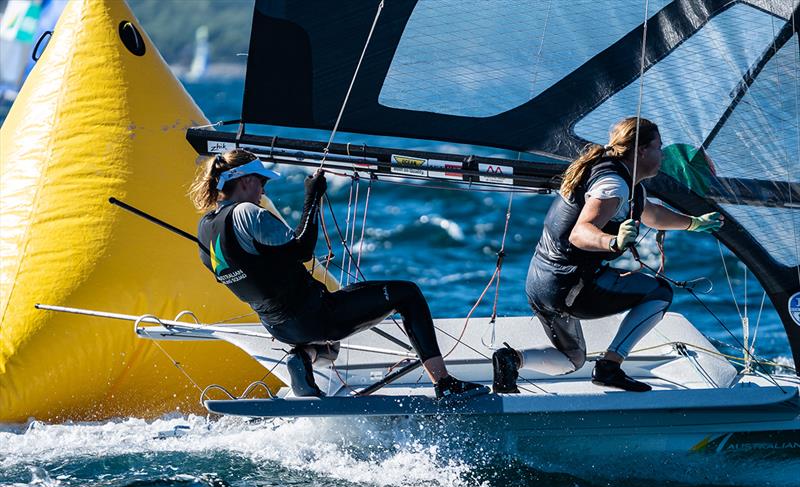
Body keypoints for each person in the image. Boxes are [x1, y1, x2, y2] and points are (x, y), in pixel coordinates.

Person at [189, 149, 488, 400]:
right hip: (315, 317)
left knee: (329, 346)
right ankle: (445, 384)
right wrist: (312, 198)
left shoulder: (206, 226)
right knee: (407, 294)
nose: (263, 191)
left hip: (279, 327)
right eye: (261, 183)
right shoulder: (246, 213)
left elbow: (248, 267)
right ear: (246, 180)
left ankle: (304, 357)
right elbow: (303, 248)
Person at [518, 117, 722, 392]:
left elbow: (650, 214)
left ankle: (512, 360)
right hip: (570, 284)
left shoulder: (620, 178)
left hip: (540, 283)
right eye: (658, 147)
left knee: (573, 358)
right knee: (659, 293)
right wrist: (613, 242)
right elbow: (580, 233)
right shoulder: (614, 184)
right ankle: (610, 366)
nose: (662, 154)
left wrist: (693, 223)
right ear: (640, 151)